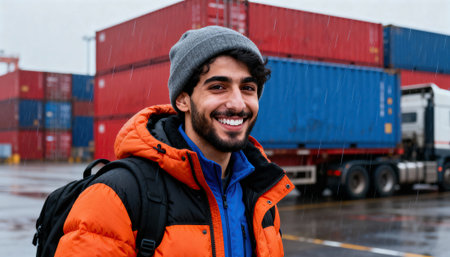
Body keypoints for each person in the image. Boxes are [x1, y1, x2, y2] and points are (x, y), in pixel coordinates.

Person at [55, 25, 294, 257]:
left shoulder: (261, 193)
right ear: (182, 100)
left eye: (248, 88)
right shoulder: (117, 196)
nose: (237, 103)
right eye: (219, 87)